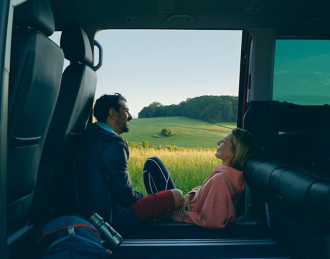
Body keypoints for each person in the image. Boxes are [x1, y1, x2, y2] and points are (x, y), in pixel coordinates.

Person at [73, 93, 185, 233]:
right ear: (113, 114)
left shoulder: (90, 136)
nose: (130, 116)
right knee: (177, 195)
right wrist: (143, 197)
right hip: (111, 217)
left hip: (93, 213)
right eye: (126, 111)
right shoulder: (112, 144)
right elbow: (125, 196)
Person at [143, 128, 260, 229]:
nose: (218, 142)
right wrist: (190, 195)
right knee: (153, 164)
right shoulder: (230, 176)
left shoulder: (221, 179)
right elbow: (206, 191)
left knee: (152, 164)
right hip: (185, 208)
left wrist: (175, 216)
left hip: (181, 218)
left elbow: (213, 221)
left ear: (232, 153)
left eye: (223, 141)